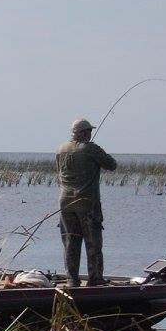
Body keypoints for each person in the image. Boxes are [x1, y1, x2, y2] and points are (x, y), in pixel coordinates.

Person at [56, 118, 117, 287]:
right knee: (93, 243)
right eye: (89, 131)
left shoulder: (61, 149)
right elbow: (112, 165)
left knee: (70, 243)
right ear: (83, 133)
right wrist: (97, 150)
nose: (90, 133)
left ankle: (72, 280)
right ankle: (95, 279)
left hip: (65, 203)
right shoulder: (91, 149)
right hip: (87, 203)